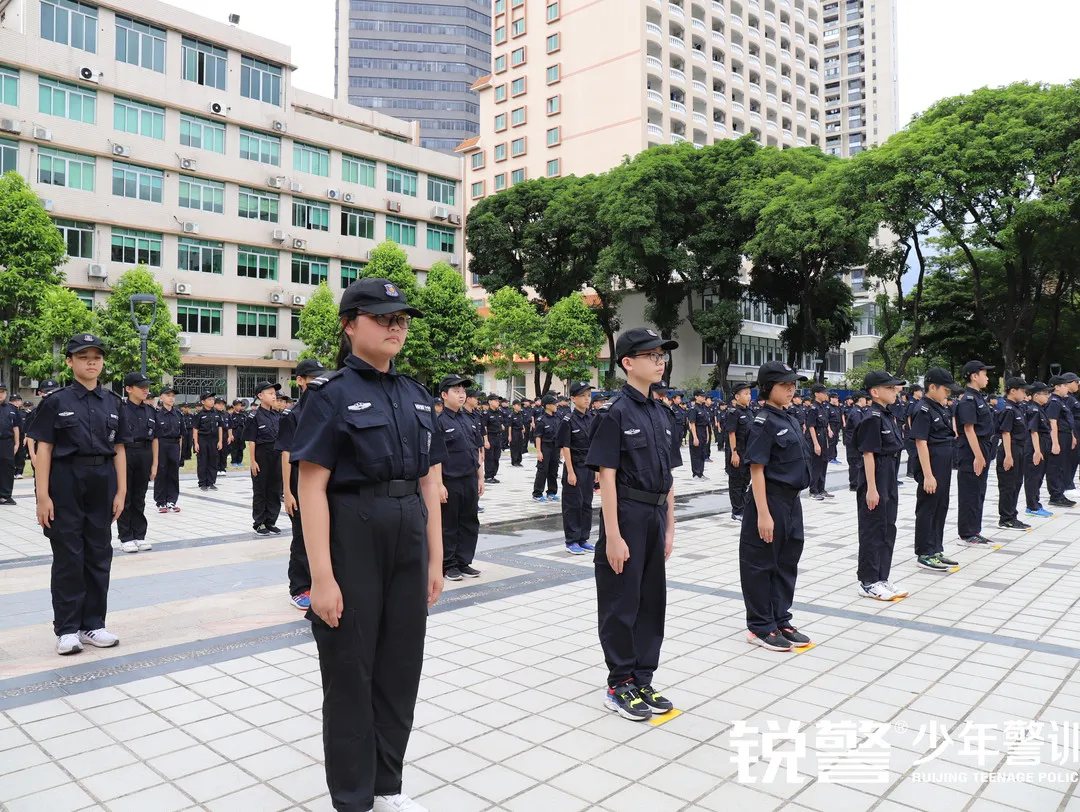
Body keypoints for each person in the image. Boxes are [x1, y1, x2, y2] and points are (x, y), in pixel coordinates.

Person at [291, 277, 444, 812]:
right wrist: (321, 577)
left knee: (401, 669)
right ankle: (354, 797)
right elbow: (311, 487)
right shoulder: (329, 395)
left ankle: (387, 786)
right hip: (353, 533)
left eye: (400, 319)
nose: (395, 327)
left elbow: (428, 482)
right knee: (350, 672)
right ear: (349, 326)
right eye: (382, 318)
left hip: (408, 532)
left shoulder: (417, 396)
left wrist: (435, 559)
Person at [587, 328, 677, 721]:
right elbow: (606, 477)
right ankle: (619, 682)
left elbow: (669, 476)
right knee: (621, 602)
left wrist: (670, 527)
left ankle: (643, 677)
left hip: (655, 515)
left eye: (662, 355)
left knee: (651, 601)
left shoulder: (661, 412)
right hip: (626, 515)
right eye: (651, 356)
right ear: (627, 362)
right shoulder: (614, 413)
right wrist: (613, 536)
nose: (660, 362)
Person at [29, 333, 132, 656]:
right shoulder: (55, 402)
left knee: (99, 553)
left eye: (97, 357)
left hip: (102, 480)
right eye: (84, 357)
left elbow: (119, 448)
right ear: (70, 361)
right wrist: (42, 496)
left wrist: (122, 491)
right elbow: (44, 449)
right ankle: (67, 629)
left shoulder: (113, 402)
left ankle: (93, 625)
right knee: (69, 556)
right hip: (65, 480)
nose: (91, 362)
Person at [739, 361, 812, 651]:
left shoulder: (789, 418)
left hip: (791, 501)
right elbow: (756, 470)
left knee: (786, 562)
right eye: (784, 385)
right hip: (769, 500)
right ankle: (760, 626)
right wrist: (763, 514)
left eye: (793, 384)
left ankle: (781, 618)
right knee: (761, 564)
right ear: (768, 387)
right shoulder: (762, 423)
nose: (791, 389)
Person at [855, 370, 910, 601]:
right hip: (875, 477)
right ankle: (868, 582)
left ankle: (882, 577)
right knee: (872, 529)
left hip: (889, 476)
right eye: (889, 387)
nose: (895, 390)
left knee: (888, 528)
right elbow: (868, 454)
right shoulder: (872, 417)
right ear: (875, 392)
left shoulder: (888, 415)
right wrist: (872, 488)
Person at [278, 358, 326, 611]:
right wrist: (288, 492)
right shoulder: (292, 414)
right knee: (302, 537)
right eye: (313, 379)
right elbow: (286, 453)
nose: (319, 383)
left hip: (325, 483)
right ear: (300, 381)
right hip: (300, 483)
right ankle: (299, 588)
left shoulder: (328, 409)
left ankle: (322, 583)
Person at [909, 368, 963, 572]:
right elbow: (921, 442)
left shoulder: (939, 407)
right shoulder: (922, 409)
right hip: (931, 465)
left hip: (943, 464)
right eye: (945, 389)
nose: (948, 393)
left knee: (941, 506)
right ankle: (924, 552)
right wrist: (928, 475)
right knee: (928, 507)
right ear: (932, 387)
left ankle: (935, 548)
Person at [438, 374, 483, 582]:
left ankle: (463, 561)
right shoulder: (439, 422)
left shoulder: (469, 419)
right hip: (450, 480)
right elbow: (436, 457)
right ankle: (448, 565)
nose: (461, 395)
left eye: (463, 391)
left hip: (470, 478)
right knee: (449, 523)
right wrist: (439, 484)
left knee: (469, 521)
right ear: (444, 395)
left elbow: (476, 450)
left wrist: (480, 477)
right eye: (456, 391)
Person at [956, 360, 997, 545]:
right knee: (970, 492)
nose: (987, 378)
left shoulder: (979, 397)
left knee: (979, 490)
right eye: (984, 374)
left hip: (983, 447)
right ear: (974, 376)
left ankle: (975, 529)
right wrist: (978, 456)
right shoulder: (968, 400)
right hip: (972, 450)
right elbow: (969, 429)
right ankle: (967, 532)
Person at [117, 372, 158, 553]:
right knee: (125, 496)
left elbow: (155, 438)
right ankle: (125, 537)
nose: (145, 390)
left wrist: (154, 463)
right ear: (128, 389)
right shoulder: (120, 409)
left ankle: (139, 535)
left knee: (139, 497)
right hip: (125, 453)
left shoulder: (150, 411)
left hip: (144, 453)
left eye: (146, 386)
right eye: (141, 387)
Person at [558, 381, 596, 555]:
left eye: (588, 395)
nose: (586, 399)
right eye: (582, 396)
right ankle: (571, 540)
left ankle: (583, 538)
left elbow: (595, 445)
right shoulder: (568, 420)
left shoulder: (592, 418)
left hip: (589, 467)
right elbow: (566, 448)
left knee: (587, 503)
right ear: (573, 399)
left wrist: (596, 470)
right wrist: (571, 472)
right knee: (573, 504)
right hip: (575, 467)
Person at [244, 380, 283, 536]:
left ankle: (271, 521)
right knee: (261, 490)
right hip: (261, 455)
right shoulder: (254, 416)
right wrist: (253, 461)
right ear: (260, 396)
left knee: (275, 489)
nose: (274, 396)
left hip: (277, 455)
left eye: (274, 394)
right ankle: (259, 522)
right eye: (270, 393)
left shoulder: (277, 415)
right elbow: (251, 440)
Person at [996, 377, 1032, 531]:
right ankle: (1006, 519)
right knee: (1008, 485)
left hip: (1019, 448)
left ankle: (1012, 516)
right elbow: (1006, 433)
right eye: (1022, 390)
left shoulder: (1017, 408)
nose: (1025, 394)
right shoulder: (1008, 409)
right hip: (1010, 449)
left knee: (1016, 483)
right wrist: (1008, 455)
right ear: (1012, 391)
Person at [1045, 376, 1077, 509]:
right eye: (1064, 386)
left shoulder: (1061, 401)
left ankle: (1060, 493)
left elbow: (1067, 420)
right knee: (1055, 467)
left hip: (1065, 435)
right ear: (1057, 387)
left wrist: (1072, 436)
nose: (1066, 388)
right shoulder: (1054, 401)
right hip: (1058, 436)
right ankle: (1055, 496)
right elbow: (1052, 422)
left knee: (1062, 466)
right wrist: (1055, 443)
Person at [1024, 382, 1054, 519]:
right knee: (1033, 476)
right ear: (1036, 395)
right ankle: (1032, 506)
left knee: (1039, 476)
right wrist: (1037, 451)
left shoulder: (1040, 409)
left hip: (1043, 443)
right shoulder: (1033, 410)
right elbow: (1033, 431)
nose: (1048, 396)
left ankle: (1036, 503)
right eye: (1045, 393)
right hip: (1036, 445)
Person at [725, 383, 754, 522]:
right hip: (737, 452)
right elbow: (732, 434)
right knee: (736, 483)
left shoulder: (749, 412)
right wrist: (734, 453)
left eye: (749, 394)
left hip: (748, 453)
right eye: (746, 394)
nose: (749, 396)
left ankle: (743, 508)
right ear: (737, 396)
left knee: (745, 481)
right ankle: (736, 511)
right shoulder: (733, 413)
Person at [154, 386, 183, 514]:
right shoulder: (157, 415)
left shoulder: (178, 414)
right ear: (161, 398)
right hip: (162, 445)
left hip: (174, 445)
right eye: (168, 395)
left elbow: (181, 435)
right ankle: (161, 501)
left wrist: (180, 451)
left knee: (173, 473)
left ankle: (172, 501)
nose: (171, 398)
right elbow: (154, 436)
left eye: (173, 396)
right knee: (161, 473)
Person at [532, 394, 561, 503]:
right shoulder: (541, 420)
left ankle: (551, 492)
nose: (556, 405)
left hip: (555, 447)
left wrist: (560, 450)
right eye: (554, 404)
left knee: (554, 470)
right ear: (548, 406)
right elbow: (538, 436)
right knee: (542, 470)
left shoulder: (557, 417)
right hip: (545, 447)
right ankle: (537, 493)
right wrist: (539, 451)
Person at [193, 392, 223, 491]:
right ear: (203, 402)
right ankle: (202, 483)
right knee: (203, 462)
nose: (212, 401)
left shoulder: (217, 413)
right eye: (209, 399)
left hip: (214, 440)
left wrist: (220, 441)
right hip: (203, 440)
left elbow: (220, 427)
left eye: (213, 399)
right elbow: (195, 429)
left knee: (213, 461)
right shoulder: (199, 414)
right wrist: (196, 443)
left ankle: (211, 482)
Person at [806, 384, 830, 500]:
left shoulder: (823, 407)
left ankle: (821, 488)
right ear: (816, 394)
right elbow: (811, 427)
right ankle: (813, 490)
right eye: (823, 393)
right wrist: (816, 444)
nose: (826, 395)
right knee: (816, 465)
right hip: (816, 438)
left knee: (824, 463)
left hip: (824, 438)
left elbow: (825, 423)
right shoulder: (813, 409)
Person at [0, 382, 22, 505]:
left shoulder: (11, 409)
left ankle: (5, 496)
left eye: (2, 392)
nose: (0, 394)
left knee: (7, 468)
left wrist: (17, 443)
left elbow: (16, 427)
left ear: (6, 393)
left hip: (7, 442)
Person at [843, 392, 869, 491]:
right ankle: (854, 484)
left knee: (857, 462)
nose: (866, 401)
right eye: (864, 398)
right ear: (860, 399)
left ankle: (857, 483)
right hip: (853, 443)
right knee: (854, 463)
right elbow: (859, 427)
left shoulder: (858, 411)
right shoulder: (856, 412)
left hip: (855, 442)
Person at [483, 393, 505, 484]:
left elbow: (501, 422)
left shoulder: (499, 413)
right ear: (490, 402)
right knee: (489, 457)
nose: (497, 402)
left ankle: (493, 475)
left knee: (496, 457)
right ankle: (488, 476)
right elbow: (484, 428)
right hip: (490, 437)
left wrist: (502, 426)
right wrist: (486, 441)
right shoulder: (486, 414)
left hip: (498, 437)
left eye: (498, 401)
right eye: (495, 401)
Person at [687, 390, 710, 479]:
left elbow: (706, 424)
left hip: (703, 432)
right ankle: (696, 473)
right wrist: (695, 437)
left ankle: (701, 472)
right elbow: (692, 424)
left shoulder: (704, 408)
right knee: (695, 454)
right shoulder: (693, 409)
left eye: (704, 396)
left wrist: (707, 435)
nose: (704, 398)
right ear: (696, 397)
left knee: (702, 453)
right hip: (697, 432)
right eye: (701, 396)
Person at [508, 400, 527, 466]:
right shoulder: (511, 415)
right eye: (518, 405)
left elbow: (521, 424)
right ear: (513, 406)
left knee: (519, 446)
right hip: (514, 432)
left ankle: (519, 461)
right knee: (514, 447)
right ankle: (514, 461)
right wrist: (509, 435)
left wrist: (522, 432)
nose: (519, 407)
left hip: (520, 432)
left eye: (520, 405)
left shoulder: (520, 414)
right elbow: (510, 426)